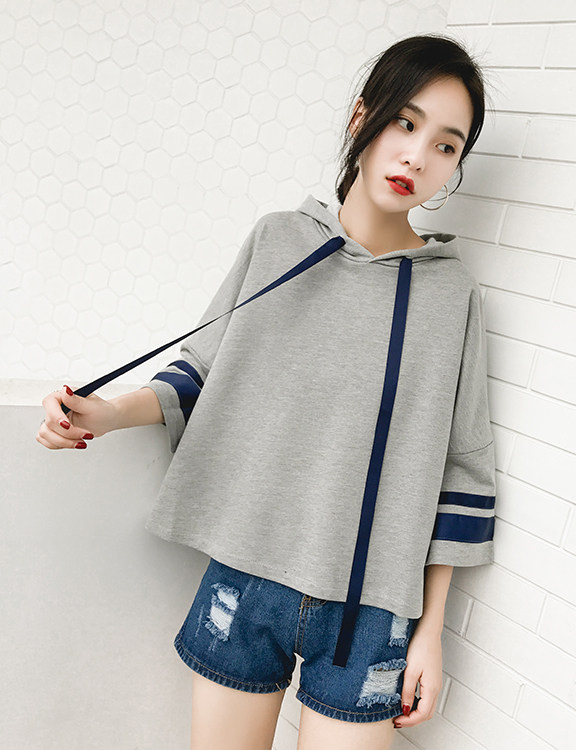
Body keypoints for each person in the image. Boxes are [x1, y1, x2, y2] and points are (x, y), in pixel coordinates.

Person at [36, 33, 496, 750]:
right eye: (405, 124)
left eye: (445, 145)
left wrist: (431, 633)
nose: (416, 156)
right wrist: (107, 413)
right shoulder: (281, 241)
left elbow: (461, 470)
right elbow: (203, 370)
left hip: (372, 613)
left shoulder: (450, 296)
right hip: (247, 576)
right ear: (362, 118)